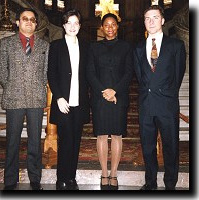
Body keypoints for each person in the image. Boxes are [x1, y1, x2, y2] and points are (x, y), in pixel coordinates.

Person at [0, 8, 49, 190]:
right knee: (12, 140)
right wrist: (10, 85)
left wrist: (41, 86)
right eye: (24, 19)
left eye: (32, 19)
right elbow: (0, 68)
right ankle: (10, 179)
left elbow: (46, 72)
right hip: (14, 98)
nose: (28, 22)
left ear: (36, 23)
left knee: (35, 140)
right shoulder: (6, 43)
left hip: (36, 98)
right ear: (18, 22)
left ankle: (35, 177)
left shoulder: (44, 46)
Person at [134, 5, 186, 190]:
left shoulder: (176, 45)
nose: (151, 21)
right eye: (147, 18)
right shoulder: (139, 47)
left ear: (163, 20)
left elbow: (178, 74)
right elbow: (141, 76)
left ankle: (170, 184)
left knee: (170, 147)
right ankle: (150, 183)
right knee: (148, 148)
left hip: (167, 105)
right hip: (146, 106)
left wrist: (167, 94)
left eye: (155, 17)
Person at [87, 13, 134, 190]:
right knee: (100, 135)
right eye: (106, 25)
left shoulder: (126, 47)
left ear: (117, 27)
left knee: (116, 135)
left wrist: (115, 91)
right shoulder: (93, 47)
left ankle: (114, 173)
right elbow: (90, 73)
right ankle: (104, 173)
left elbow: (129, 72)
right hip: (100, 98)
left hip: (119, 97)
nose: (110, 28)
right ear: (102, 27)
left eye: (113, 24)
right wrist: (104, 91)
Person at [47, 9, 90, 190]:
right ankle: (61, 178)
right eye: (69, 23)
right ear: (63, 25)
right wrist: (58, 97)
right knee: (65, 141)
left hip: (79, 103)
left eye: (76, 23)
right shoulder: (56, 46)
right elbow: (51, 73)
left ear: (79, 26)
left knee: (76, 141)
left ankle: (71, 177)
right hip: (63, 102)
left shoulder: (86, 46)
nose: (72, 26)